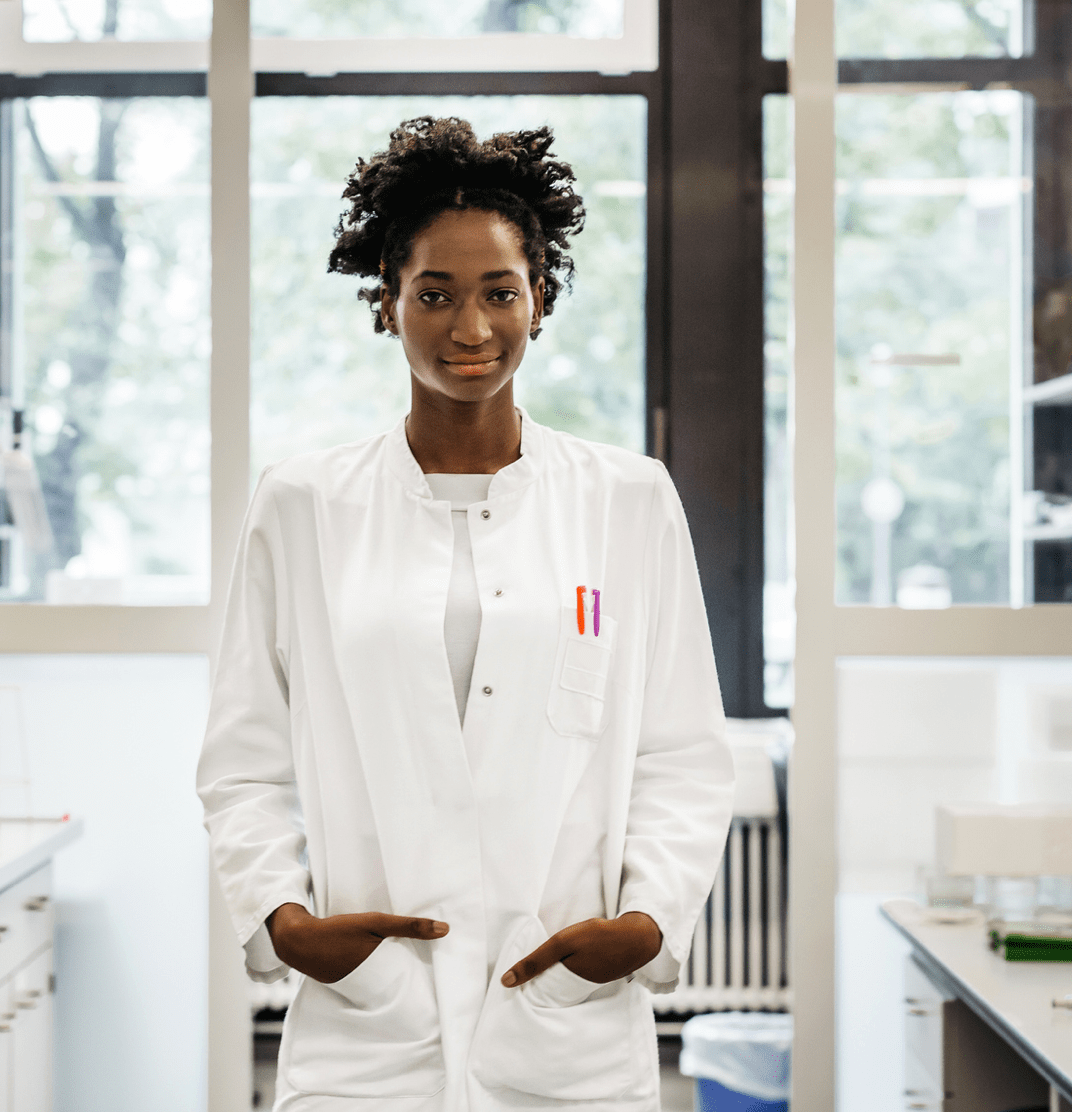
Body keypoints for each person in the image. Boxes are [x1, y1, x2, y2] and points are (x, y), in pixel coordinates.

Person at [197, 116, 735, 1112]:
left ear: (541, 298)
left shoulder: (626, 499)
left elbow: (683, 750)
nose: (471, 328)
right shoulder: (303, 503)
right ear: (388, 300)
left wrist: (648, 921)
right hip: (369, 1027)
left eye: (500, 292)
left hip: (561, 1021)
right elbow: (243, 756)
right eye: (434, 293)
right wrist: (281, 918)